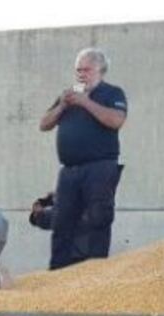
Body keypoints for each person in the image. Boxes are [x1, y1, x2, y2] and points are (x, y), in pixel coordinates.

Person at [39, 46, 127, 270]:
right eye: (78, 70)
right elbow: (44, 124)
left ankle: (95, 272)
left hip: (99, 167)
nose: (81, 74)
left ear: (100, 71)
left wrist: (84, 102)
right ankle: (57, 273)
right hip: (69, 170)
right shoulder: (67, 96)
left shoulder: (112, 93)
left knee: (97, 219)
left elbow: (116, 120)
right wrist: (62, 105)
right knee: (62, 222)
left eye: (86, 70)